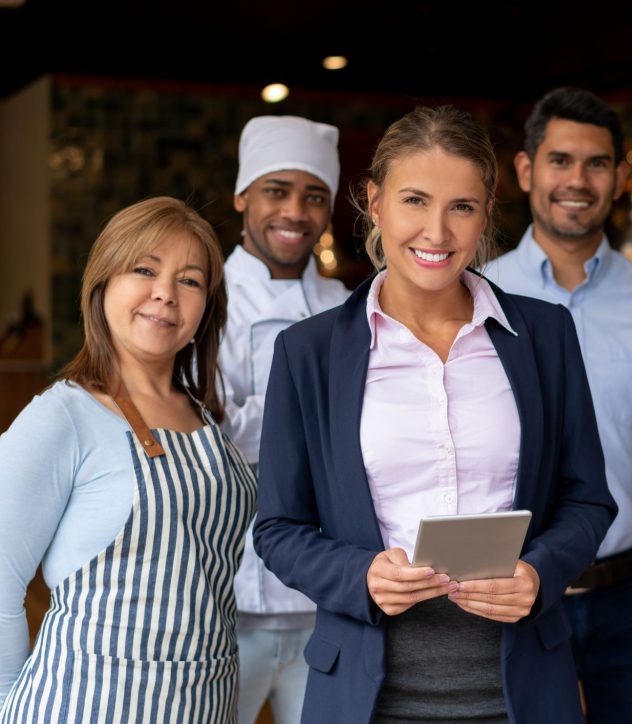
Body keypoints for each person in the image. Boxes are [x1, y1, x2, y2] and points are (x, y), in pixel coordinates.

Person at [252, 105, 616, 724]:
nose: (437, 232)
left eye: (462, 207)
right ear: (375, 202)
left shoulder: (547, 335)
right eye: (415, 201)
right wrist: (360, 573)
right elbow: (279, 528)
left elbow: (587, 500)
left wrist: (537, 573)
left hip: (523, 684)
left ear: (487, 211)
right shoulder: (308, 352)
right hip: (365, 694)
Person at [485, 86, 632, 722]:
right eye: (560, 160)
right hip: (504, 591)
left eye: (596, 163)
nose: (576, 180)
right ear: (526, 171)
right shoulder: (475, 296)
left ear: (619, 178)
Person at [0, 197, 255, 722]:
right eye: (144, 269)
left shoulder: (208, 421)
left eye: (190, 280)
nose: (165, 293)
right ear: (103, 282)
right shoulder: (61, 417)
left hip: (207, 703)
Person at [220, 115, 350, 724]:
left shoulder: (347, 309)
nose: (296, 211)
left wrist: (257, 418)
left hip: (323, 598)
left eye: (314, 196)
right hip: (223, 601)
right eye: (277, 190)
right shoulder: (201, 296)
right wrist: (314, 418)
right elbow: (205, 436)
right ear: (242, 196)